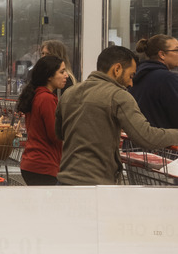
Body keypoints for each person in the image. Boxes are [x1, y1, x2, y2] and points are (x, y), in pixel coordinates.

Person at [55, 46, 178, 185]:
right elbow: (146, 137)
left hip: (65, 180)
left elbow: (60, 133)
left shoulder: (69, 93)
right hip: (96, 184)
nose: (131, 83)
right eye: (131, 76)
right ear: (117, 69)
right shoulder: (118, 95)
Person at [16, 55, 67, 186]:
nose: (66, 75)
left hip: (32, 164)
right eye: (62, 72)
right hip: (43, 165)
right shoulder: (47, 99)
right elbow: (55, 134)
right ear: (49, 76)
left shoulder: (36, 94)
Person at [130, 34, 178, 129]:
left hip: (141, 140)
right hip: (165, 140)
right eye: (176, 50)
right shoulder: (167, 79)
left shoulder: (136, 76)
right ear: (162, 54)